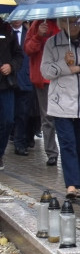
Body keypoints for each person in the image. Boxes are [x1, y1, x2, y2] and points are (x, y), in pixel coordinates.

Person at [40, 18, 80, 198]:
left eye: (76, 21)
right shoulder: (52, 43)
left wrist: (79, 68)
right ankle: (71, 185)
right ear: (61, 24)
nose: (73, 25)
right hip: (62, 103)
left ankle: (77, 183)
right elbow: (45, 71)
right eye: (68, 22)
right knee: (68, 144)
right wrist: (63, 64)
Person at [23, 18, 59, 166]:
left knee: (64, 117)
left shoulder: (64, 23)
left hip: (61, 78)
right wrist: (38, 35)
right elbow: (28, 49)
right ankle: (51, 153)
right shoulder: (37, 24)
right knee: (47, 118)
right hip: (43, 80)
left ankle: (68, 150)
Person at [0, 18, 24, 169]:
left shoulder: (6, 29)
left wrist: (11, 66)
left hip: (5, 85)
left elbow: (18, 55)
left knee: (8, 121)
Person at [8, 19, 33, 158]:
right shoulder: (6, 32)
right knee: (8, 115)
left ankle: (20, 143)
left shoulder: (29, 33)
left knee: (23, 114)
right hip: (8, 79)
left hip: (25, 78)